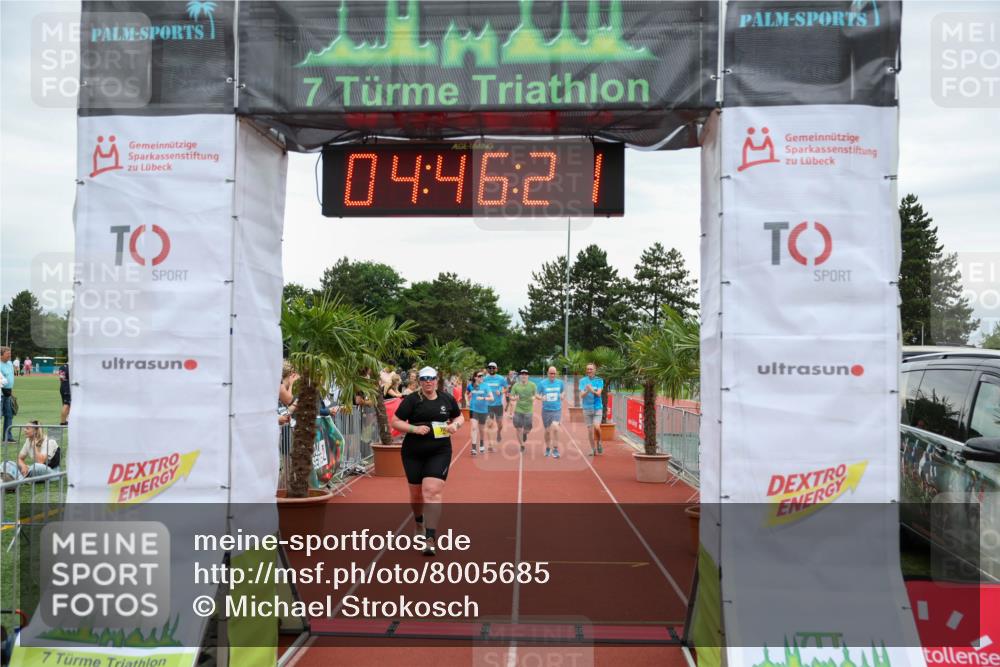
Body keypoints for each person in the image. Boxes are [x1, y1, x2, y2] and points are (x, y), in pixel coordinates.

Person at [390, 366, 464, 556]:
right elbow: (396, 421)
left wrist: (455, 425)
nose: (428, 382)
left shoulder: (446, 398)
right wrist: (414, 429)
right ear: (420, 381)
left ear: (437, 380)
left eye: (431, 378)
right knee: (416, 496)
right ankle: (418, 523)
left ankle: (430, 538)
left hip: (439, 451)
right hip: (413, 452)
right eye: (424, 379)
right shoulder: (412, 400)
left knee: (431, 491)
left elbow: (459, 416)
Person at [535, 366, 565, 459]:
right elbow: (536, 394)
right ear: (548, 373)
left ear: (556, 374)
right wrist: (541, 398)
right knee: (547, 431)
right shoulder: (542, 383)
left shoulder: (560, 383)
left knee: (555, 427)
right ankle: (548, 448)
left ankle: (555, 449)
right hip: (546, 410)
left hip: (557, 409)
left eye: (554, 373)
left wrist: (562, 395)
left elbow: (563, 391)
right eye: (551, 373)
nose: (552, 375)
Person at [579, 363, 605, 456]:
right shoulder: (582, 381)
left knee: (597, 427)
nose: (589, 371)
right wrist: (586, 390)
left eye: (591, 369)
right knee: (590, 430)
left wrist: (591, 390)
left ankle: (599, 442)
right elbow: (581, 395)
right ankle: (593, 449)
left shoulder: (599, 380)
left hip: (597, 408)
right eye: (588, 369)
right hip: (587, 408)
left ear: (595, 370)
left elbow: (598, 394)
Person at [466, 371, 494, 455]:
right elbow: (466, 393)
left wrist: (483, 398)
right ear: (475, 377)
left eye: (482, 376)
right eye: (479, 376)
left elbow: (492, 398)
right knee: (474, 427)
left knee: (481, 430)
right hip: (473, 409)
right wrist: (467, 401)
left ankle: (481, 443)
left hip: (483, 410)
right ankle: (473, 448)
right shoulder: (471, 386)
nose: (481, 377)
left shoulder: (486, 386)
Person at [481, 362, 508, 450]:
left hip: (498, 405)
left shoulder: (501, 379)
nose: (491, 369)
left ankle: (499, 432)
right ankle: (490, 445)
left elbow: (507, 388)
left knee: (500, 424)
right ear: (488, 369)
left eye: (493, 368)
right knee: (489, 424)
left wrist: (501, 392)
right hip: (488, 405)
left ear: (496, 369)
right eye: (490, 368)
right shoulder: (484, 379)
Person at [509, 370, 537, 452]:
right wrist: (514, 398)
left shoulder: (532, 385)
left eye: (525, 374)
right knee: (518, 428)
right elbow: (511, 396)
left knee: (528, 428)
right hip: (518, 410)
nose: (524, 376)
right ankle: (522, 445)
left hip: (528, 410)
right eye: (522, 374)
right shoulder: (516, 386)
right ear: (520, 376)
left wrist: (534, 398)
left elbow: (536, 394)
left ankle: (525, 434)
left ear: (528, 376)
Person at [0, 348, 14, 444]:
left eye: (10, 353)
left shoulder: (10, 363)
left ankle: (7, 437)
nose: (9, 355)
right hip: (1, 392)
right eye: (7, 354)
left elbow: (10, 377)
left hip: (8, 393)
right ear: (1, 355)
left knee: (9, 415)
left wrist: (11, 391)